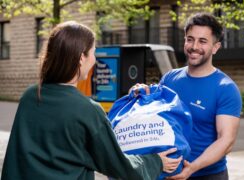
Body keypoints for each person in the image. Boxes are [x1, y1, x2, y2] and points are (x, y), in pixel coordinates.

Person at [1, 21, 182, 180]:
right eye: (93, 53)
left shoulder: (30, 96)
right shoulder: (88, 110)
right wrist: (156, 161)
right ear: (81, 58)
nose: (95, 60)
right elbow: (118, 165)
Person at [132, 13, 242, 180]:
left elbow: (226, 141)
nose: (194, 46)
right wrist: (142, 93)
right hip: (169, 172)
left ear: (215, 47)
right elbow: (154, 115)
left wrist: (192, 168)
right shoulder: (169, 78)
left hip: (207, 175)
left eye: (202, 41)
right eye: (190, 39)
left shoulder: (226, 88)